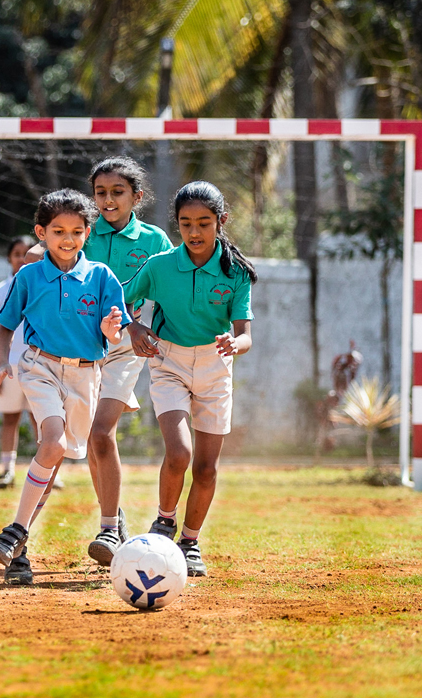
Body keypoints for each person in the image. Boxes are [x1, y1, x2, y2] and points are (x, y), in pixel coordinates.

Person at [0, 189, 129, 582]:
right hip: (39, 367)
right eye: (58, 231)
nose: (67, 239)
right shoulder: (29, 276)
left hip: (86, 375)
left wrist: (110, 330)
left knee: (54, 459)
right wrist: (1, 363)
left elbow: (116, 332)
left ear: (87, 233)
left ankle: (19, 546)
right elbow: (5, 324)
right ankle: (16, 532)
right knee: (52, 443)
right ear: (41, 233)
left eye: (77, 232)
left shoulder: (102, 277)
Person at [123, 181, 256, 577]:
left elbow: (246, 333)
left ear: (221, 221)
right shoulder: (160, 266)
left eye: (204, 223)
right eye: (185, 224)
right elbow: (123, 299)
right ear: (177, 226)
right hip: (169, 362)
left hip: (216, 368)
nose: (194, 232)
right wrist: (134, 328)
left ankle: (190, 543)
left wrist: (235, 343)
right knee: (178, 453)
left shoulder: (236, 273)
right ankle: (164, 522)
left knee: (206, 468)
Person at [81, 156, 173, 565]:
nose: (107, 199)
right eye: (100, 192)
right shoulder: (83, 232)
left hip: (125, 346)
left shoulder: (154, 240)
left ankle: (108, 528)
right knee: (89, 437)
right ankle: (113, 517)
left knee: (101, 431)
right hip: (82, 345)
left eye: (117, 192)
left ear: (137, 196)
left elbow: (166, 288)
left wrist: (146, 327)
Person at [0, 237, 39, 489]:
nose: (21, 258)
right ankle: (7, 470)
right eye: (16, 253)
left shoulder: (43, 287)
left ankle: (47, 471)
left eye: (26, 253)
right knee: (10, 418)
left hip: (38, 364)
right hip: (10, 365)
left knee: (42, 418)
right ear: (9, 257)